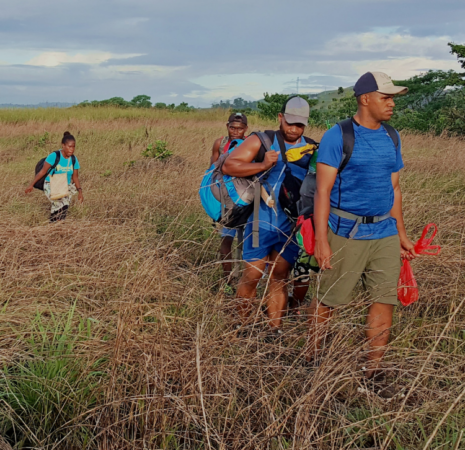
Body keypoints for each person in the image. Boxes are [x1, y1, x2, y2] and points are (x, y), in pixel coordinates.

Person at [308, 72, 418, 385]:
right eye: (386, 97)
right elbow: (323, 191)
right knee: (329, 299)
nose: (392, 103)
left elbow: (394, 188)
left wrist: (401, 234)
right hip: (345, 232)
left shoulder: (392, 136)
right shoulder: (337, 135)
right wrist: (322, 241)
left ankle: (372, 372)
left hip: (383, 232)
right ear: (365, 98)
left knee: (385, 300)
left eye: (393, 97)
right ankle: (313, 360)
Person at [222, 97, 316, 338]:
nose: (294, 129)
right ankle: (242, 328)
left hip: (291, 227)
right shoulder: (262, 141)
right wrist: (263, 164)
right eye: (290, 123)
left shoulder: (312, 148)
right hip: (259, 223)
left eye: (300, 125)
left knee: (280, 276)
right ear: (280, 117)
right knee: (252, 275)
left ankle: (274, 331)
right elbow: (229, 166)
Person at [210, 113, 248, 289]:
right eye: (233, 127)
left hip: (244, 197)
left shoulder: (250, 144)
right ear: (227, 126)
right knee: (226, 238)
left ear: (245, 129)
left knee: (246, 240)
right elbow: (212, 171)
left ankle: (244, 279)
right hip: (226, 199)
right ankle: (228, 280)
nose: (236, 131)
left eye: (239, 128)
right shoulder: (221, 143)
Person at [25, 131, 83, 221]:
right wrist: (31, 184)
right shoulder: (54, 156)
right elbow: (42, 172)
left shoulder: (74, 159)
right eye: (69, 146)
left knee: (64, 208)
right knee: (59, 204)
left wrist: (80, 192)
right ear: (63, 145)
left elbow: (75, 177)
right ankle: (54, 225)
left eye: (73, 146)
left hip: (64, 186)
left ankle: (56, 226)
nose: (72, 149)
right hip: (50, 184)